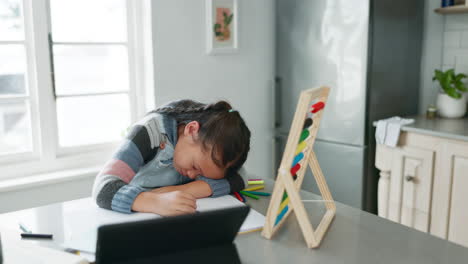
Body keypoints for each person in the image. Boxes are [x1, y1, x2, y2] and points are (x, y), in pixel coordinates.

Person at [92, 99, 251, 216]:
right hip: (137, 215)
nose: (192, 175)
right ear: (191, 130)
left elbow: (242, 177)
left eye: (201, 176)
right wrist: (155, 201)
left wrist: (186, 190)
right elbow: (103, 187)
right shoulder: (149, 132)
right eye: (196, 167)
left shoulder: (209, 146)